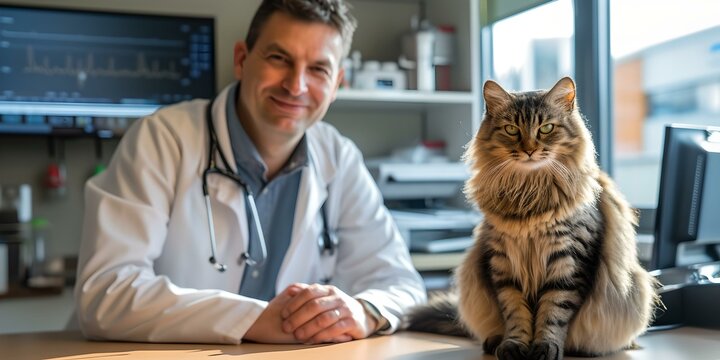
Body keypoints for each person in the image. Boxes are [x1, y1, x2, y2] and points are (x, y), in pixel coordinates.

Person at [74, 0, 426, 345]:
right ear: (242, 60)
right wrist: (253, 320)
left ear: (336, 84)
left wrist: (362, 311)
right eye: (279, 58)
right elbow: (105, 293)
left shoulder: (338, 157)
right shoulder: (163, 139)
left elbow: (403, 285)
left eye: (318, 69)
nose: (296, 85)